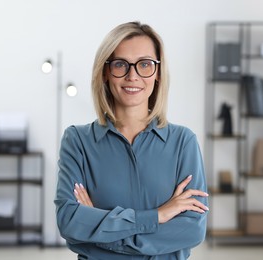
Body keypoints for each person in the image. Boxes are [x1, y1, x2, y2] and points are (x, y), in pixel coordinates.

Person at [55, 21, 209, 260]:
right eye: (120, 64)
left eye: (145, 64)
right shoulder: (77, 141)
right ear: (105, 72)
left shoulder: (183, 142)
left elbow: (192, 230)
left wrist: (98, 232)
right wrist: (157, 215)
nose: (132, 76)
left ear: (157, 73)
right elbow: (70, 222)